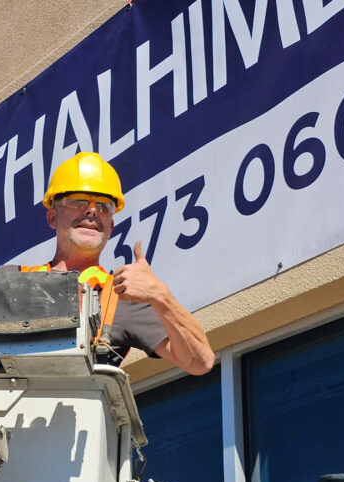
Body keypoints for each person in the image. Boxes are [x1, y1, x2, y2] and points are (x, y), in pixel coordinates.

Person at [17, 152, 214, 375]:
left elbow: (200, 361)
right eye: (78, 201)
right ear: (53, 217)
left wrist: (161, 296)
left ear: (110, 227)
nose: (92, 210)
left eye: (103, 206)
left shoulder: (121, 297)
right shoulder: (11, 280)